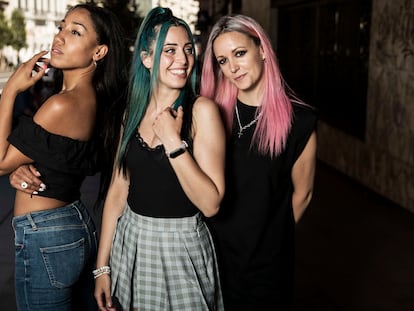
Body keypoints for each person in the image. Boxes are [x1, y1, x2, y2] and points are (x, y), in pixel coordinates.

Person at [93, 7, 225, 311]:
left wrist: (172, 142)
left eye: (188, 49)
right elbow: (117, 192)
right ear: (146, 59)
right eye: (169, 50)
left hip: (180, 247)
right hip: (131, 242)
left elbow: (211, 203)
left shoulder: (202, 111)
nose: (182, 59)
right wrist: (102, 268)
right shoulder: (132, 113)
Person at [0, 4, 128, 310]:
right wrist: (24, 167)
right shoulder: (88, 100)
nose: (59, 37)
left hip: (46, 234)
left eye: (75, 32)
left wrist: (10, 90)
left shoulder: (64, 104)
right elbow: (55, 158)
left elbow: (1, 161)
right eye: (61, 27)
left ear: (98, 52)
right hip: (68, 224)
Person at [200, 14, 318, 310]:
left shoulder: (299, 121)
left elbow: (302, 194)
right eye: (223, 61)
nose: (232, 67)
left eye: (239, 53)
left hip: (264, 267)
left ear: (262, 50)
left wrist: (270, 241)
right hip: (210, 255)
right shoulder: (210, 113)